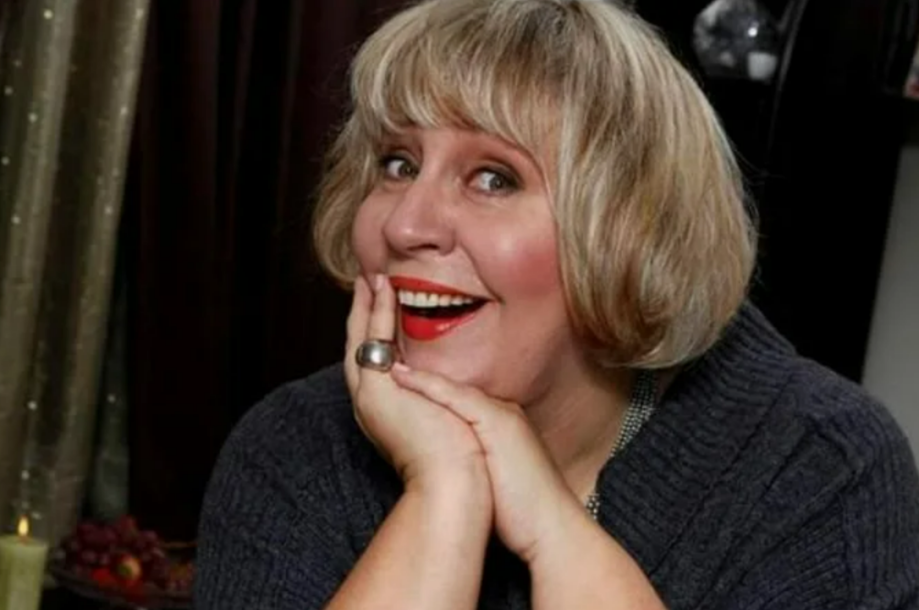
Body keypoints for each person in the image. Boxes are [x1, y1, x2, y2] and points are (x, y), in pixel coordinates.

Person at [194, 0, 919, 608]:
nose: (405, 225)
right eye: (398, 163)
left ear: (625, 232)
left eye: (493, 178)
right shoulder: (291, 452)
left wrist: (551, 531)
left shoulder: (814, 470)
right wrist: (443, 490)